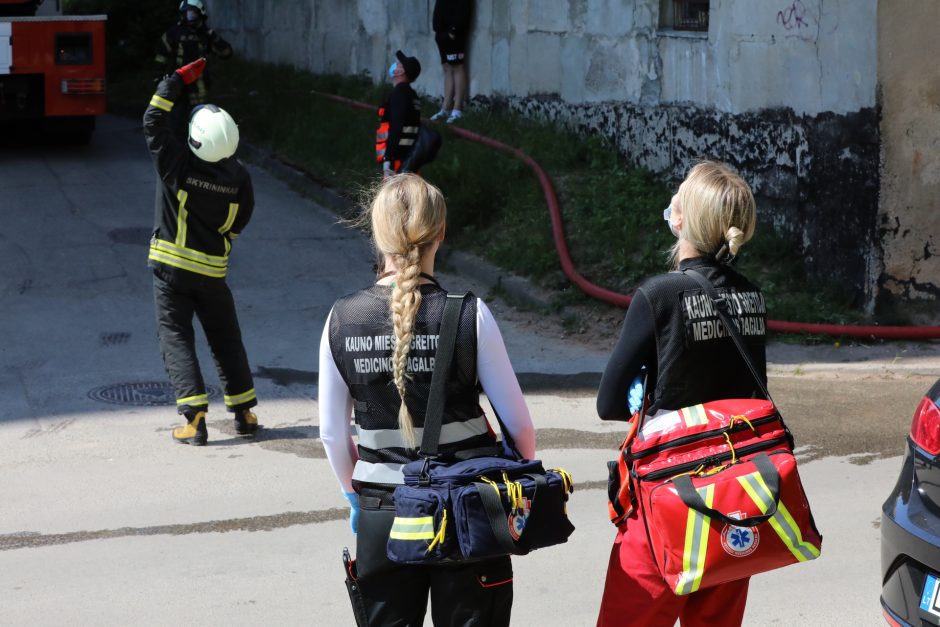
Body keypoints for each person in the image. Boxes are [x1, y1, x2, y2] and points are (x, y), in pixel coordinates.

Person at [318, 174, 536, 626]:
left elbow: (332, 434)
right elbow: (520, 428)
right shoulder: (469, 315)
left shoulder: (341, 318)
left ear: (376, 235)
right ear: (441, 232)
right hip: (467, 512)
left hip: (383, 514)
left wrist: (353, 495)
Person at [594, 160, 766, 627]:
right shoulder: (752, 296)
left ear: (682, 218)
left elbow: (608, 403)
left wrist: (642, 393)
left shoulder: (659, 295)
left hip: (667, 499)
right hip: (735, 497)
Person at [143, 58, 260, 446]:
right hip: (213, 273)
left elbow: (153, 122)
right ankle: (244, 412)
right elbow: (241, 219)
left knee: (175, 336)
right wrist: (223, 243)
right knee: (226, 337)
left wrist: (174, 81)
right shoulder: (238, 176)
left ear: (194, 139)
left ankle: (194, 420)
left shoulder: (175, 165)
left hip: (170, 273)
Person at [155, 0, 233, 136]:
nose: (189, 17)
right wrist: (158, 79)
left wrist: (213, 37)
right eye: (186, 13)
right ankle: (179, 152)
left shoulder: (206, 35)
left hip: (199, 89)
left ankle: (199, 152)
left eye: (192, 13)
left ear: (200, 14)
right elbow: (161, 56)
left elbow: (227, 53)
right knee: (176, 123)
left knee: (202, 125)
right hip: (178, 87)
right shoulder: (173, 34)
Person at [376, 50, 422, 178]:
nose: (395, 65)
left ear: (401, 72)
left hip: (396, 161)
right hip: (408, 159)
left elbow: (396, 127)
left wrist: (388, 158)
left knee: (393, 197)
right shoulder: (412, 95)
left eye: (398, 64)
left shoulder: (399, 94)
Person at [430, 0, 473, 124]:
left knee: (457, 67)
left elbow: (464, 9)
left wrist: (454, 31)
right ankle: (445, 107)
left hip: (455, 33)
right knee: (447, 68)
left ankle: (457, 109)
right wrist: (437, 30)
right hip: (441, 33)